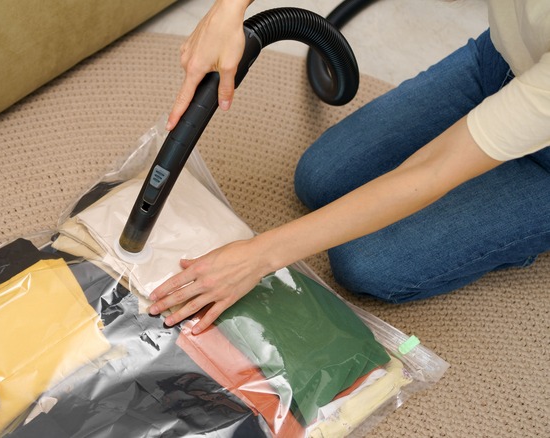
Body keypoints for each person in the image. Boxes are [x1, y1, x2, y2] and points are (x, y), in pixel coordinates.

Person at [148, 0, 550, 334]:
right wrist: (228, 11)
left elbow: (433, 169)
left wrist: (258, 255)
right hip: (498, 62)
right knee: (318, 179)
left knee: (364, 262)